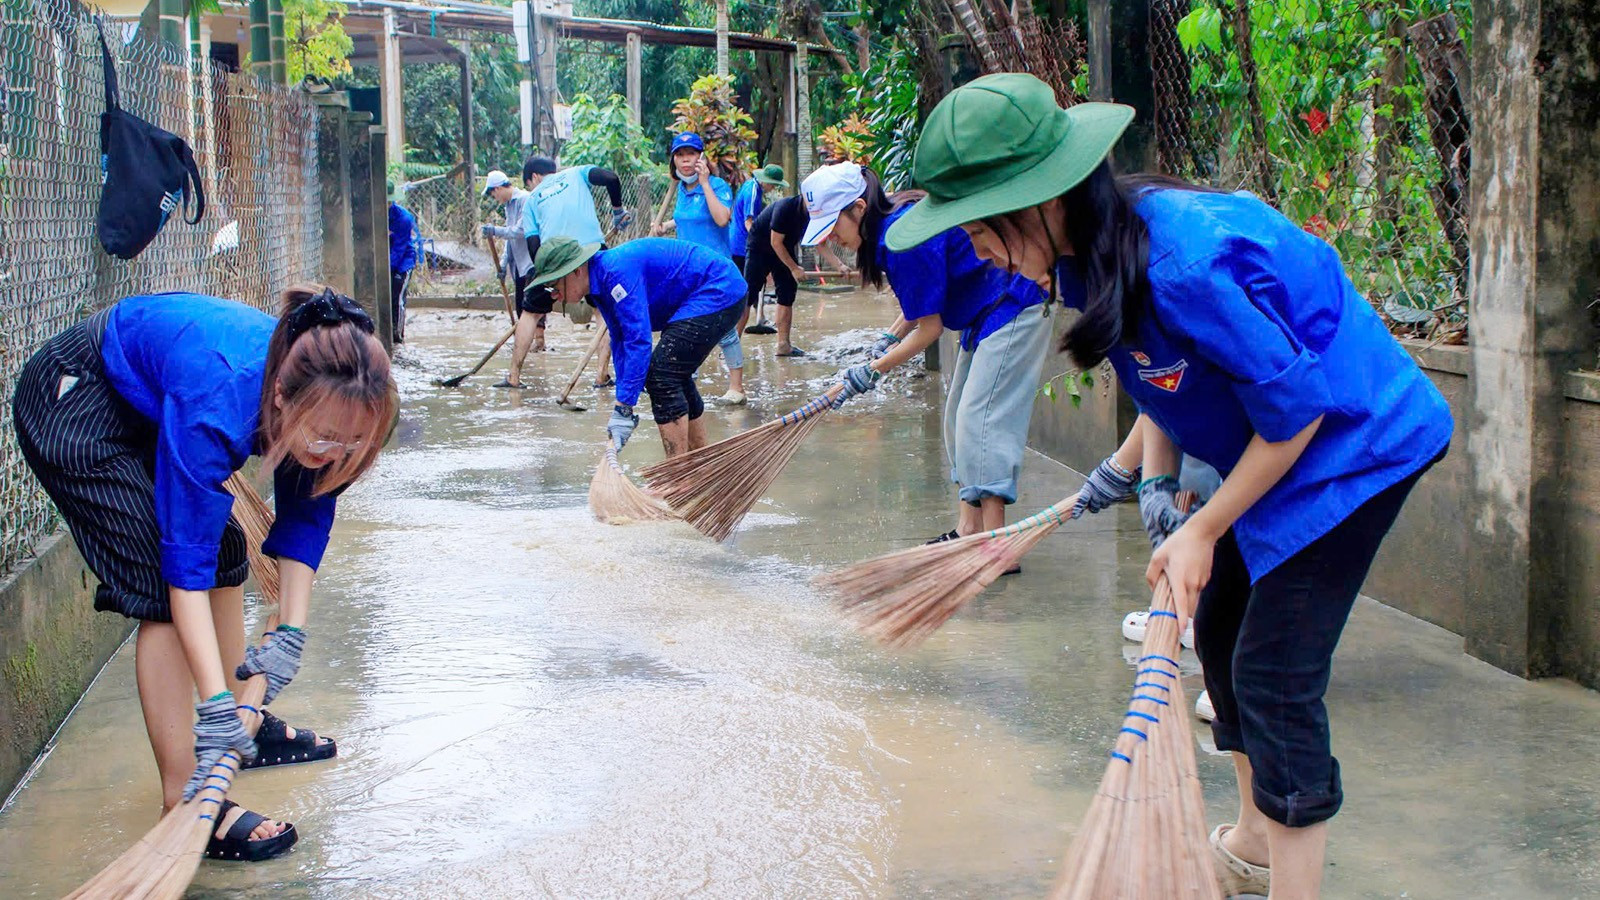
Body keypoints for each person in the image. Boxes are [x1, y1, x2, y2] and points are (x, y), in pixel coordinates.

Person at [884, 73, 1454, 899]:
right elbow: (1169, 380)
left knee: (1274, 672)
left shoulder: (1185, 263)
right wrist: (1143, 476)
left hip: (1356, 447)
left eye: (977, 231)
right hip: (1282, 446)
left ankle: (1296, 883)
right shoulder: (1089, 253)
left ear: (1038, 202)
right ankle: (1255, 840)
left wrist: (1203, 527)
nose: (975, 252)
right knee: (1219, 633)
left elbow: (1295, 416)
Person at [11, 286, 397, 862]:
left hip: (150, 403)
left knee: (227, 549)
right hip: (77, 401)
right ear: (282, 400)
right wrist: (211, 704)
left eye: (352, 444)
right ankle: (185, 796)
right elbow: (182, 573)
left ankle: (246, 711)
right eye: (322, 439)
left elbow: (309, 512)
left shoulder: (335, 393)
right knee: (157, 583)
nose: (334, 453)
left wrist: (288, 634)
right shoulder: (220, 401)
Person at [797, 162, 1049, 553]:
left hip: (1012, 302)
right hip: (982, 314)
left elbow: (930, 330)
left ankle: (998, 549)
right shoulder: (890, 231)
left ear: (859, 209)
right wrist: (885, 340)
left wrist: (872, 370)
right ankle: (969, 528)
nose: (831, 238)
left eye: (834, 225)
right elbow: (919, 306)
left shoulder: (903, 237)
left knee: (981, 421)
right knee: (956, 420)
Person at [532, 236, 744, 458]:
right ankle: (699, 461)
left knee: (662, 374)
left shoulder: (615, 274)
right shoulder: (600, 284)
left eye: (554, 285)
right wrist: (622, 404)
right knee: (673, 372)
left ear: (575, 271)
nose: (555, 296)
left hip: (719, 288)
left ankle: (677, 474)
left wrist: (624, 406)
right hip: (710, 291)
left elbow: (639, 340)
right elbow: (620, 339)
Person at [650, 133, 749, 404]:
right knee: (684, 325)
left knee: (724, 330)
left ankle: (737, 387)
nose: (685, 160)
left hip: (716, 271)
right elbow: (687, 218)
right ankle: (687, 380)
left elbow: (720, 219)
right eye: (680, 155)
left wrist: (705, 183)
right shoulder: (680, 190)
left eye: (691, 154)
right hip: (686, 273)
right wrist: (666, 227)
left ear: (701, 158)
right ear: (673, 159)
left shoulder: (717, 186)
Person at [519, 155, 631, 391]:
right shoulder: (577, 173)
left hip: (556, 260)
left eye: (529, 183)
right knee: (605, 312)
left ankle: (512, 376)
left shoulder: (531, 200)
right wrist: (617, 212)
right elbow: (611, 178)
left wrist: (545, 279)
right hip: (591, 250)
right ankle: (602, 375)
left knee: (530, 314)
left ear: (535, 177)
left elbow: (533, 246)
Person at [741, 193, 854, 359]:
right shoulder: (785, 207)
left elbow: (819, 242)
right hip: (760, 245)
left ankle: (783, 345)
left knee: (787, 292)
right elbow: (775, 242)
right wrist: (794, 268)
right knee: (748, 295)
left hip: (784, 246)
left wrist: (839, 265)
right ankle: (732, 345)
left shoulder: (816, 215)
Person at [714, 163, 791, 405]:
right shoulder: (754, 191)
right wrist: (762, 250)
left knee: (744, 296)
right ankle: (730, 342)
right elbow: (750, 223)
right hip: (741, 248)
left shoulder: (748, 185)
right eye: (773, 185)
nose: (771, 189)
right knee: (744, 297)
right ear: (767, 181)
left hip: (739, 246)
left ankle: (729, 342)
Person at [480, 169, 541, 387]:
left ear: (498, 188)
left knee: (530, 312)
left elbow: (520, 231)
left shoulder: (525, 199)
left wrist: (495, 230)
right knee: (521, 310)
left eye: (493, 194)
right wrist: (504, 264)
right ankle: (521, 352)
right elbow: (509, 240)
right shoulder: (509, 206)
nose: (495, 199)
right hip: (518, 265)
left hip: (530, 264)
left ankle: (532, 347)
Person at [387, 184, 418, 344]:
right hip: (386, 261)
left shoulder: (403, 219)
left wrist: (387, 270)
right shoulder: (374, 216)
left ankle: (397, 335)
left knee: (397, 296)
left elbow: (399, 249)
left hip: (402, 262)